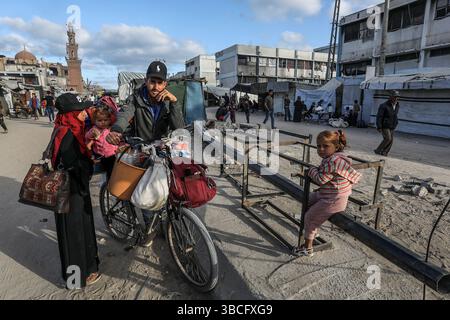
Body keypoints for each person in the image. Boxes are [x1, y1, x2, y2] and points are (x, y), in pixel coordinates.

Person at [106, 60, 184, 247]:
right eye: (152, 81)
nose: (155, 86)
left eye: (159, 82)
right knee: (147, 192)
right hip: (141, 148)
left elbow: (179, 127)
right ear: (146, 81)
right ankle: (150, 228)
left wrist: (174, 104)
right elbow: (125, 114)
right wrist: (116, 129)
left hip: (161, 149)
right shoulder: (136, 98)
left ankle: (165, 223)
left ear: (165, 84)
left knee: (167, 189)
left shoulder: (168, 101)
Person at [51, 93, 100, 288]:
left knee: (74, 234)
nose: (83, 113)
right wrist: (90, 160)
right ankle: (76, 280)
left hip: (70, 193)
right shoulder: (69, 135)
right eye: (79, 111)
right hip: (72, 194)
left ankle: (80, 275)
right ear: (70, 114)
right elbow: (76, 167)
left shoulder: (63, 130)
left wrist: (86, 149)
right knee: (75, 235)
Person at [298, 130, 362, 257]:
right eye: (318, 146)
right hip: (327, 194)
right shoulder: (331, 158)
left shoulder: (333, 161)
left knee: (310, 217)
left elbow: (320, 179)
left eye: (325, 146)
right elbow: (324, 174)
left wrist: (311, 170)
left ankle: (307, 248)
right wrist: (317, 169)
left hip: (334, 199)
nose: (321, 149)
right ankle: (313, 231)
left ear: (336, 147)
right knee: (307, 201)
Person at [85, 107, 118, 180]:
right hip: (100, 157)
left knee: (112, 173)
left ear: (109, 120)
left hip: (113, 155)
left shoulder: (111, 129)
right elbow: (87, 136)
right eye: (99, 120)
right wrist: (92, 134)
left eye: (105, 120)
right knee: (102, 175)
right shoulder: (94, 129)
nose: (103, 122)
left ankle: (109, 183)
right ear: (95, 121)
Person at [374, 90, 400, 157]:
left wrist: (396, 122)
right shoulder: (383, 105)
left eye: (397, 97)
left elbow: (395, 115)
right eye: (394, 97)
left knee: (391, 140)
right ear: (390, 97)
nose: (396, 98)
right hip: (385, 125)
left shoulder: (397, 105)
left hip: (392, 125)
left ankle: (384, 152)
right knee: (388, 138)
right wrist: (379, 126)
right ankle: (378, 150)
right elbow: (379, 116)